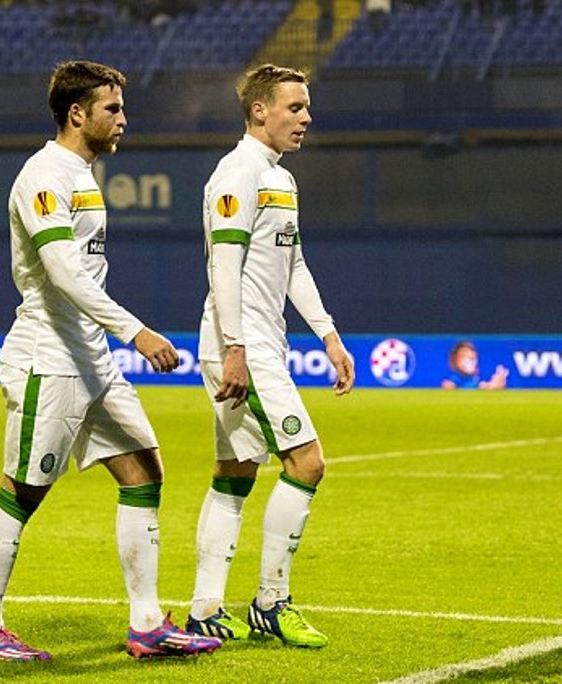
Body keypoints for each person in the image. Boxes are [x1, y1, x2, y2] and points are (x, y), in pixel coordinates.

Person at [0, 61, 222, 661]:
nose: (123, 119)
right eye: (112, 108)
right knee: (22, 491)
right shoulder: (44, 175)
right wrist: (136, 332)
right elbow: (62, 274)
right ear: (77, 113)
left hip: (91, 358)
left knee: (144, 470)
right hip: (49, 359)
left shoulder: (81, 174)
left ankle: (148, 624)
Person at [185, 64, 354, 649]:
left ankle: (206, 607)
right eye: (295, 107)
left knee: (234, 474)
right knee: (307, 464)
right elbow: (223, 265)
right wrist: (236, 348)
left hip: (259, 343)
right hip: (245, 345)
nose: (306, 118)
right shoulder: (237, 173)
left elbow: (294, 264)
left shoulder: (279, 178)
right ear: (260, 110)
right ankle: (271, 602)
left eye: (307, 108)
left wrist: (328, 336)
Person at [441, 340, 509, 389]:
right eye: (465, 358)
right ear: (455, 360)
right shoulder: (454, 380)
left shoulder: (475, 380)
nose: (470, 363)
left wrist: (494, 385)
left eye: (473, 359)